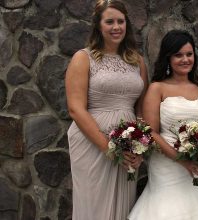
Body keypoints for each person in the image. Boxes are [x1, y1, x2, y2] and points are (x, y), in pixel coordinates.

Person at [128, 30, 198, 220]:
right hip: (168, 165)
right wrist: (182, 160)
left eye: (189, 54)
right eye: (178, 55)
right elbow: (151, 132)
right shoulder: (158, 88)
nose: (185, 59)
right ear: (168, 58)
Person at [65, 0, 148, 219]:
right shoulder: (83, 58)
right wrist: (110, 148)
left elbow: (140, 111)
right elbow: (75, 109)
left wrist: (139, 148)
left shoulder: (137, 62)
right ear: (98, 26)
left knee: (123, 207)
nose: (116, 26)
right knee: (94, 206)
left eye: (121, 21)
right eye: (109, 21)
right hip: (93, 142)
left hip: (128, 145)